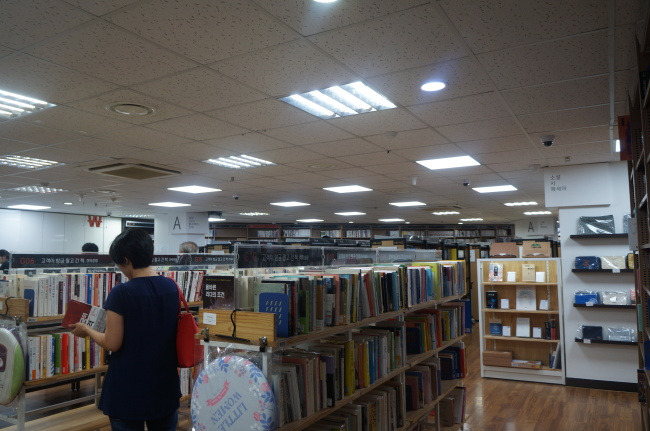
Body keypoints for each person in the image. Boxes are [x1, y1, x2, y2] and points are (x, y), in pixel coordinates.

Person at [70, 229, 180, 431]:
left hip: (129, 385)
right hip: (165, 383)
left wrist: (87, 330)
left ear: (127, 260)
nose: (120, 268)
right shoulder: (171, 286)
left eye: (119, 263)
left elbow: (113, 342)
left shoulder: (122, 292)